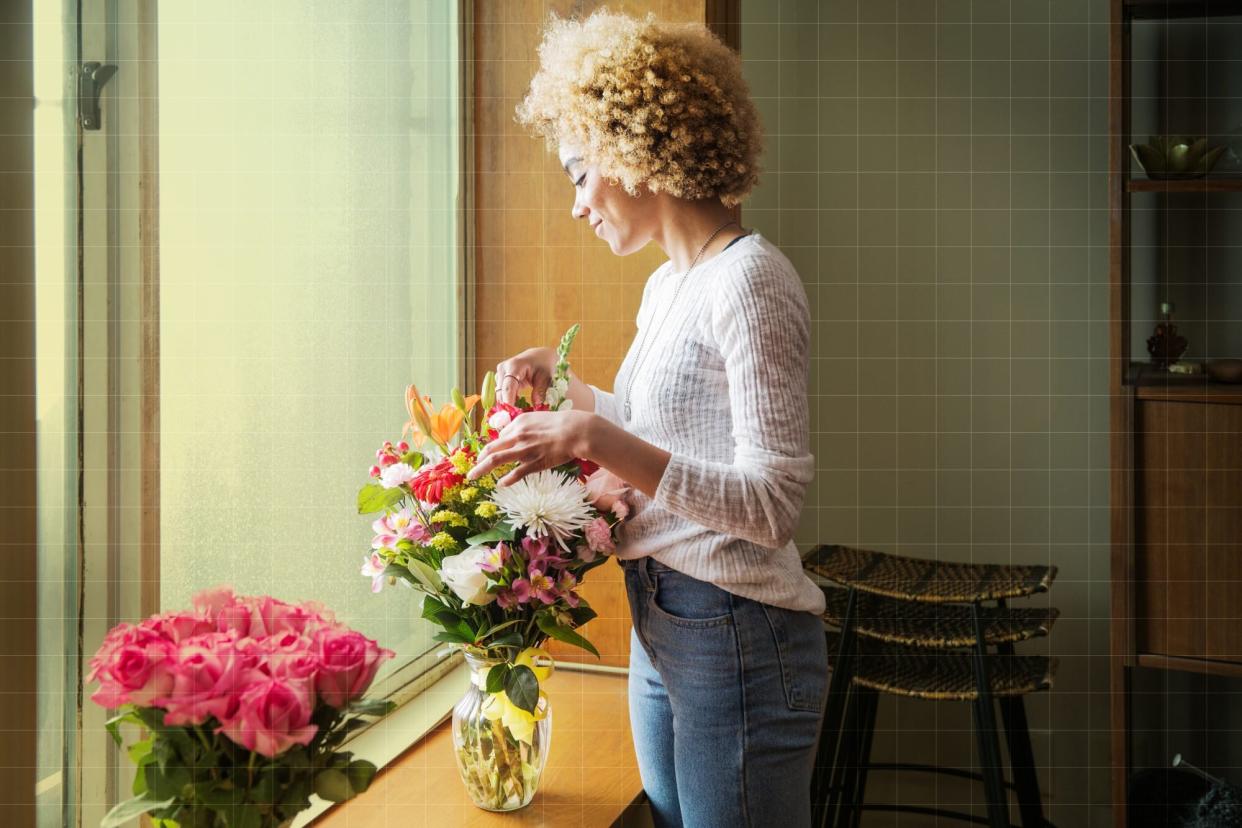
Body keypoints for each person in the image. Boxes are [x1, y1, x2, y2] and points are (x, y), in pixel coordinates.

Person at [465, 11, 828, 827]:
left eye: (577, 172)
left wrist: (590, 436)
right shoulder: (670, 283)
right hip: (664, 614)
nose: (575, 207)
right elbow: (662, 426)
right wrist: (566, 389)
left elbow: (771, 507)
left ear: (635, 150)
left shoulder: (751, 280)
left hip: (737, 626)